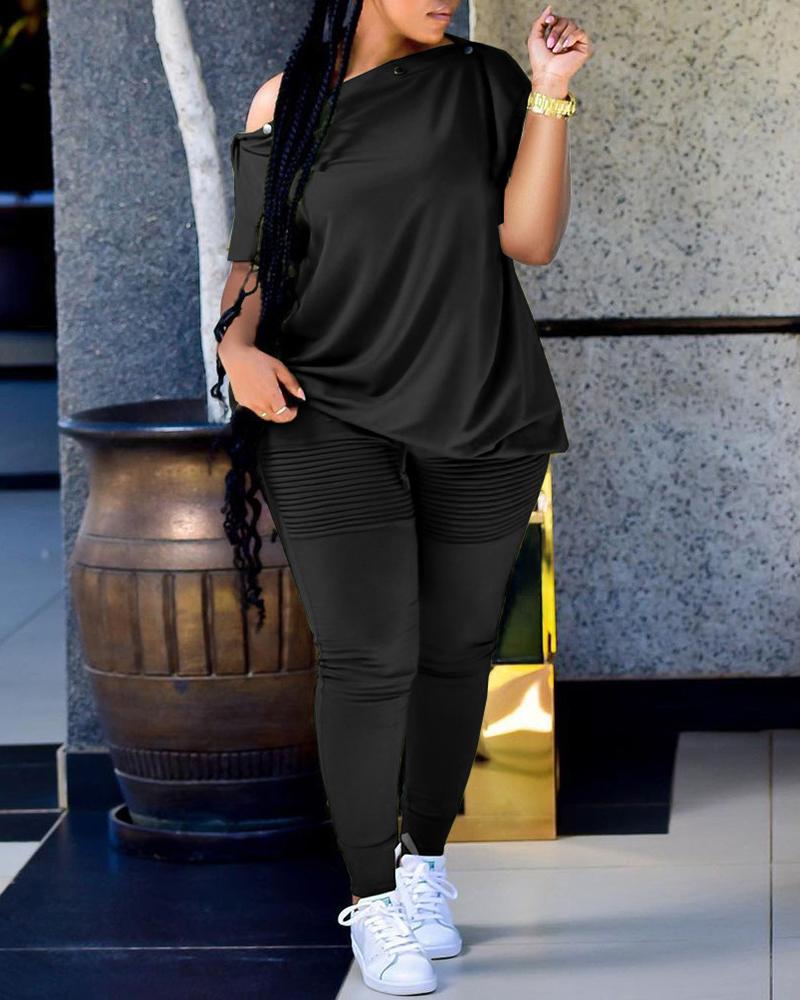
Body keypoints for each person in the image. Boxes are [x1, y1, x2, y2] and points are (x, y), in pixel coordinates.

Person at [214, 1, 591, 994]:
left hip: (479, 405)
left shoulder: (486, 82)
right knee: (368, 654)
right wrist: (235, 347)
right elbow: (253, 263)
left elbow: (530, 240)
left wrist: (550, 94)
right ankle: (371, 897)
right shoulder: (286, 102)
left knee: (456, 649)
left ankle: (422, 865)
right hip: (323, 409)